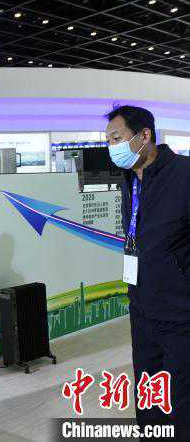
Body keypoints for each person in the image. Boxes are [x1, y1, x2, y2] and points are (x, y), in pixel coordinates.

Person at [106, 105, 190, 439]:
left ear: (144, 135)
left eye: (117, 138)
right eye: (108, 140)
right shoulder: (130, 180)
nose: (112, 146)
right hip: (142, 310)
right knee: (148, 393)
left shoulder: (183, 175)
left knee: (180, 401)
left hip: (181, 314)